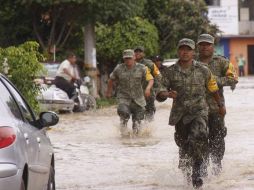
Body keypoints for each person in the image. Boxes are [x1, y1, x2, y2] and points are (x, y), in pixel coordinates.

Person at [156, 38, 225, 188]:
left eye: (188, 49)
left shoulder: (203, 70)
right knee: (184, 147)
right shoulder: (170, 72)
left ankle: (197, 173)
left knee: (198, 137)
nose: (185, 52)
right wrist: (166, 94)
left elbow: (213, 88)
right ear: (178, 51)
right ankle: (187, 175)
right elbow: (159, 90)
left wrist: (220, 105)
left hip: (199, 111)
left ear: (193, 52)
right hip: (180, 115)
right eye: (182, 49)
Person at [197, 34, 238, 175]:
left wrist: (212, 80)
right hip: (195, 110)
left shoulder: (222, 62)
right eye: (202, 44)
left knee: (217, 140)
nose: (205, 47)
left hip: (216, 108)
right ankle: (201, 171)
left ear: (213, 46)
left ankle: (217, 170)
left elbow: (233, 79)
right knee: (197, 140)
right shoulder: (192, 62)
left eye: (208, 44)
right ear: (198, 46)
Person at [106, 49, 154, 135]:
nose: (128, 60)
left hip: (138, 99)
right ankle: (123, 134)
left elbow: (150, 79)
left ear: (134, 57)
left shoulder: (142, 68)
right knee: (123, 112)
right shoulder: (119, 68)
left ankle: (136, 141)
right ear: (123, 59)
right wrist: (108, 92)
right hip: (124, 97)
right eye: (126, 58)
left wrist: (148, 88)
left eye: (130, 58)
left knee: (137, 123)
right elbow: (111, 79)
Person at [134, 46, 161, 121]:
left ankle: (148, 131)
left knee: (149, 114)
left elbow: (158, 76)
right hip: (135, 93)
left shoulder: (149, 64)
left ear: (144, 54)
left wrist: (155, 90)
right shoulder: (130, 63)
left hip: (148, 92)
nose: (138, 53)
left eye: (140, 51)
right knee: (136, 115)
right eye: (136, 51)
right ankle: (137, 131)